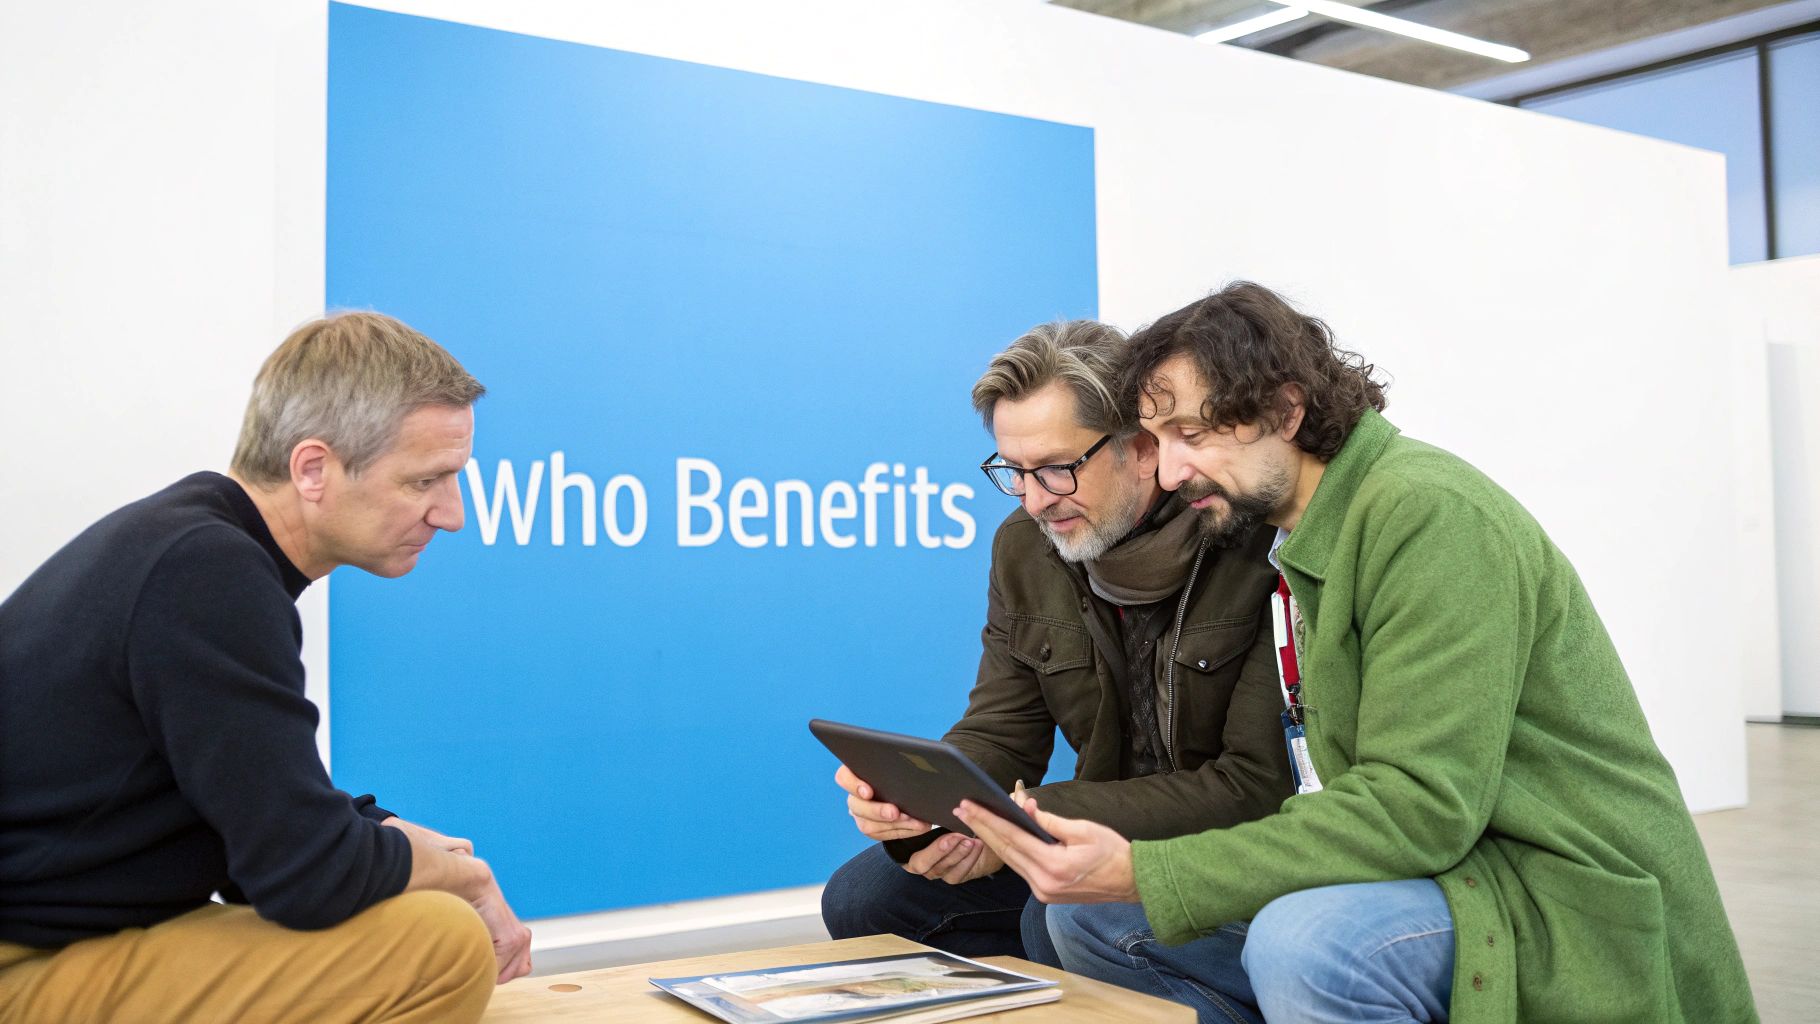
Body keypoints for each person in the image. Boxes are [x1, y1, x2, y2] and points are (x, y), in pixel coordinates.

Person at [954, 282, 1758, 1024]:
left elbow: (1420, 807)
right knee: (1094, 919)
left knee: (1312, 943)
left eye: (1192, 434)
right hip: (1444, 869)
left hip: (1541, 883)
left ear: (1287, 410)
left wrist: (1149, 870)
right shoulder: (1297, 538)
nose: (1169, 469)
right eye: (1158, 439)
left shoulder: (1428, 515)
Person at [0, 312, 531, 1024]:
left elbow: (258, 809)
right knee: (442, 944)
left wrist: (398, 838)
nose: (452, 515)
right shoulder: (206, 573)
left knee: (415, 900)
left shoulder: (193, 546)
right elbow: (302, 876)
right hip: (24, 962)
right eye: (425, 481)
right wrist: (461, 873)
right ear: (313, 469)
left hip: (62, 937)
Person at [821, 320, 1292, 965]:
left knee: (1061, 917)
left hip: (1220, 854)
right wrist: (930, 805)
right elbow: (1001, 733)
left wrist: (1024, 820)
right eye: (1013, 471)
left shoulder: (1255, 545)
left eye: (1056, 468)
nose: (1036, 501)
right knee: (864, 899)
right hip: (1079, 831)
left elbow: (1255, 787)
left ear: (1142, 448)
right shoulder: (1025, 546)